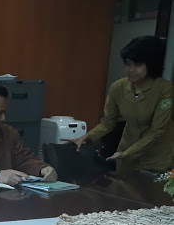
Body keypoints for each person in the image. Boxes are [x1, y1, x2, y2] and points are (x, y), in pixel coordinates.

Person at [66, 35, 174, 174]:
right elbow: (107, 123)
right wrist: (85, 137)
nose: (131, 70)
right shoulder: (118, 87)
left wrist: (128, 152)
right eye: (128, 64)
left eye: (138, 65)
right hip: (125, 152)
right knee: (121, 185)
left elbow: (157, 131)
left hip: (156, 156)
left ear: (151, 64)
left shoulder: (164, 89)